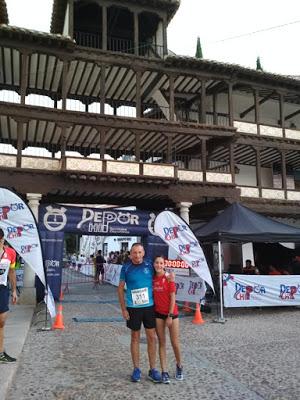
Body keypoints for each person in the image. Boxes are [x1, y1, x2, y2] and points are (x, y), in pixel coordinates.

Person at [117, 243, 161, 383]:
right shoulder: (126, 267)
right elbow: (120, 289)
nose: (137, 255)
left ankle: (153, 369)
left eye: (139, 252)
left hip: (149, 307)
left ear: (143, 253)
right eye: (134, 253)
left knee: (151, 338)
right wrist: (123, 309)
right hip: (133, 308)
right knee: (135, 337)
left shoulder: (149, 265)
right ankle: (136, 369)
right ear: (130, 254)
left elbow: (160, 275)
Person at [153, 256, 183, 383]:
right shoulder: (153, 279)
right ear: (154, 264)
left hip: (172, 314)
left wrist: (170, 316)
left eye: (161, 263)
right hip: (158, 314)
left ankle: (179, 365)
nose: (159, 265)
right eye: (157, 263)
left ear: (164, 265)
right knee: (162, 342)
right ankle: (164, 371)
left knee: (175, 343)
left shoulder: (169, 278)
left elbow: (173, 298)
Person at [0, 228, 17, 363]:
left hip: (3, 288)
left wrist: (14, 291)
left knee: (2, 321)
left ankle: (0, 354)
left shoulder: (11, 253)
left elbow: (12, 272)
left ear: (2, 239)